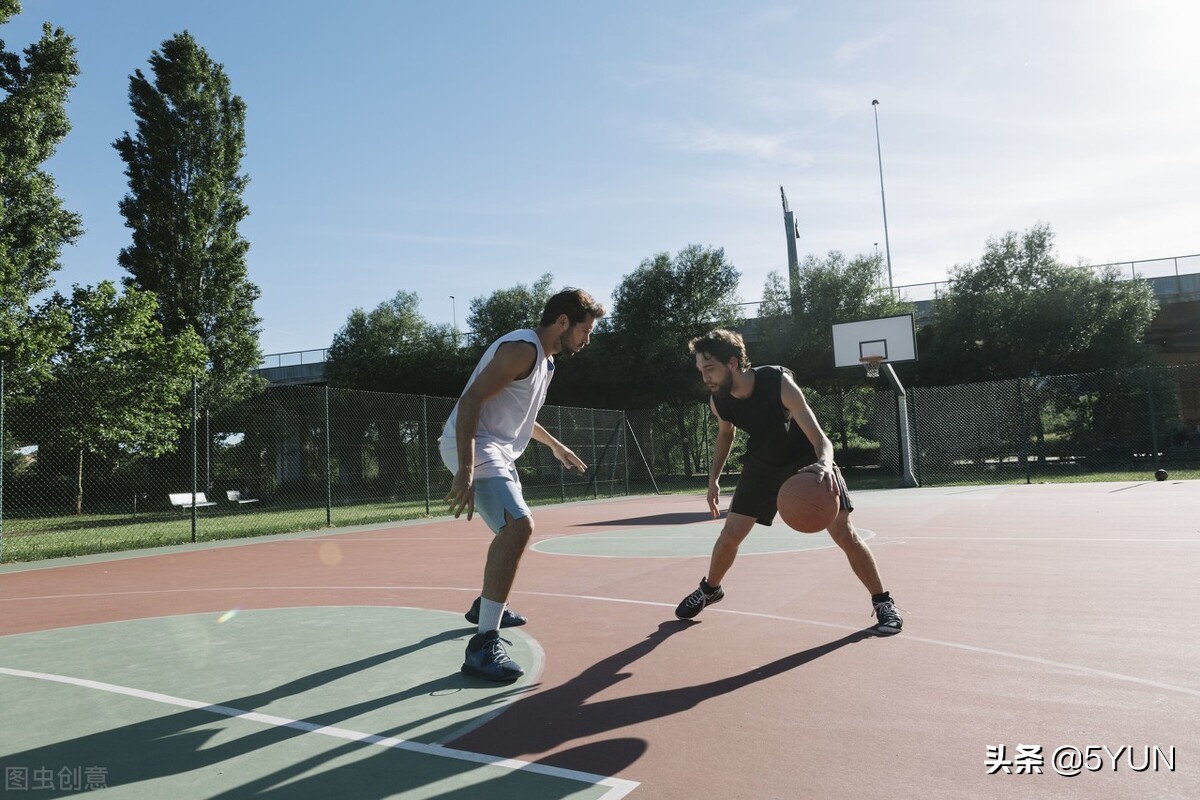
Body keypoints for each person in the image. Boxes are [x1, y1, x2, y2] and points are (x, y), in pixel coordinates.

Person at [674, 329, 903, 635]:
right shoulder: (719, 402)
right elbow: (726, 434)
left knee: (844, 533)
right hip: (762, 463)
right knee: (730, 533)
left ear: (732, 363)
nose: (705, 377)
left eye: (710, 368)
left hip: (807, 460)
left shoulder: (778, 383)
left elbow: (821, 439)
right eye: (701, 370)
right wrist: (713, 479)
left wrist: (824, 463)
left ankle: (882, 602)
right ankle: (710, 589)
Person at [441, 288, 606, 681]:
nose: (587, 341)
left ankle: (486, 605)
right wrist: (465, 468)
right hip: (474, 443)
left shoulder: (546, 364)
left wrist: (555, 445)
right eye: (585, 331)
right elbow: (471, 402)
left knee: (510, 529)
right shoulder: (522, 349)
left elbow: (522, 414)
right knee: (519, 525)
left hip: (496, 448)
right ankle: (482, 647)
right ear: (563, 322)